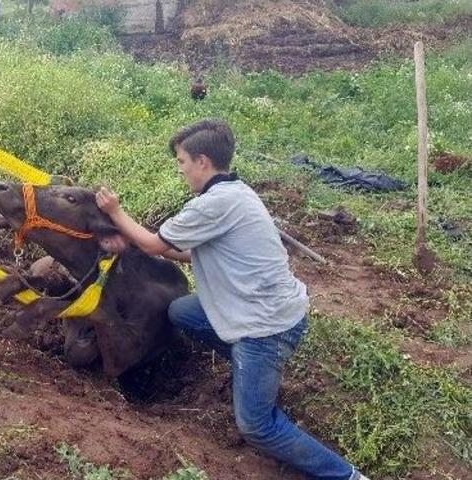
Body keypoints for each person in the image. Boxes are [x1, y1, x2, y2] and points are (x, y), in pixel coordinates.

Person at [95, 119, 369, 480]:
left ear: (202, 161)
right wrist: (133, 242)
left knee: (258, 427)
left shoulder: (213, 205)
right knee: (181, 311)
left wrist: (114, 211)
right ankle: (251, 370)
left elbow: (152, 243)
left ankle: (346, 475)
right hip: (270, 309)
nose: (180, 170)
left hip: (265, 328)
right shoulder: (236, 192)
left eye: (181, 162)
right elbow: (190, 253)